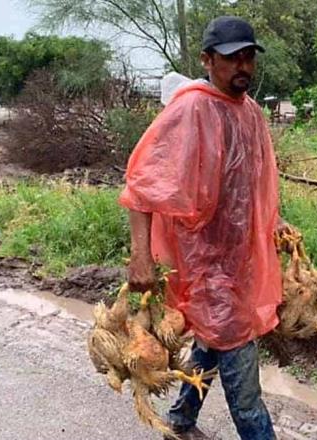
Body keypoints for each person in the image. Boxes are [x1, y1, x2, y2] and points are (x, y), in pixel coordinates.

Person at [120, 16, 283, 440]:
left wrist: (274, 222)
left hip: (239, 264)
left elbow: (254, 184)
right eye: (232, 59)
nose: (242, 66)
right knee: (244, 388)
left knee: (211, 344)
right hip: (205, 267)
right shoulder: (191, 109)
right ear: (207, 60)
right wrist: (141, 258)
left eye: (248, 57)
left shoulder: (249, 113)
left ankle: (179, 421)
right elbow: (142, 187)